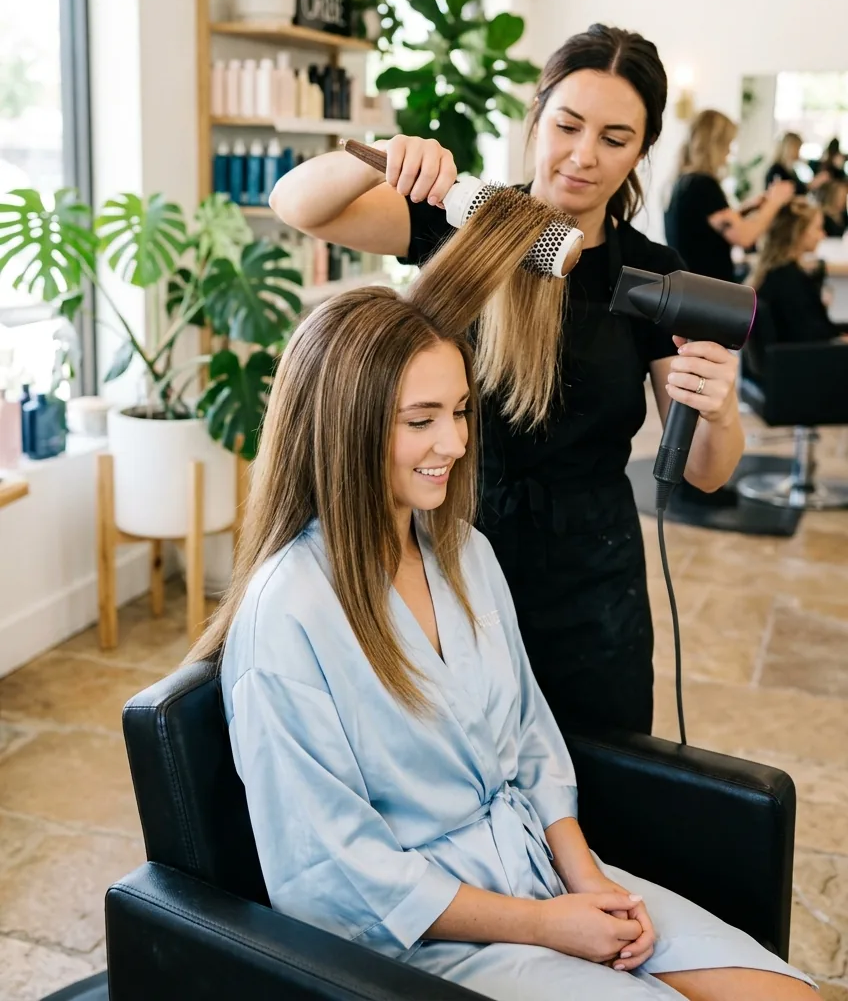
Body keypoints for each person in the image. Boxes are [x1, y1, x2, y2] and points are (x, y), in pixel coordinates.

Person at [193, 263, 813, 1001]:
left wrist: (588, 881)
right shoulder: (288, 616)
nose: (455, 443)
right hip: (422, 939)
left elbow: (530, 736)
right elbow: (333, 872)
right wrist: (544, 926)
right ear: (343, 428)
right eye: (421, 420)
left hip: (537, 867)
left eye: (460, 411)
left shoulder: (463, 554)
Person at [270, 24, 746, 736]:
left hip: (592, 577)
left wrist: (720, 412)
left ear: (643, 151)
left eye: (615, 139)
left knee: (597, 768)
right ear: (537, 115)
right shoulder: (464, 224)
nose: (583, 156)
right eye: (567, 125)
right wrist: (385, 157)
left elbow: (706, 474)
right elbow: (297, 204)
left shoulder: (653, 274)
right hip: (451, 549)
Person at [664, 110, 795, 282]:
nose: (728, 152)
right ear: (715, 145)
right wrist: (775, 202)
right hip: (705, 290)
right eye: (727, 144)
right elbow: (745, 237)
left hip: (690, 286)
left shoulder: (684, 182)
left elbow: (706, 228)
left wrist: (748, 208)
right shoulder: (702, 185)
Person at [751, 199, 848, 344]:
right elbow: (811, 337)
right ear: (799, 232)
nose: (822, 235)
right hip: (808, 354)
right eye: (818, 228)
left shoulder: (777, 274)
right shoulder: (788, 280)